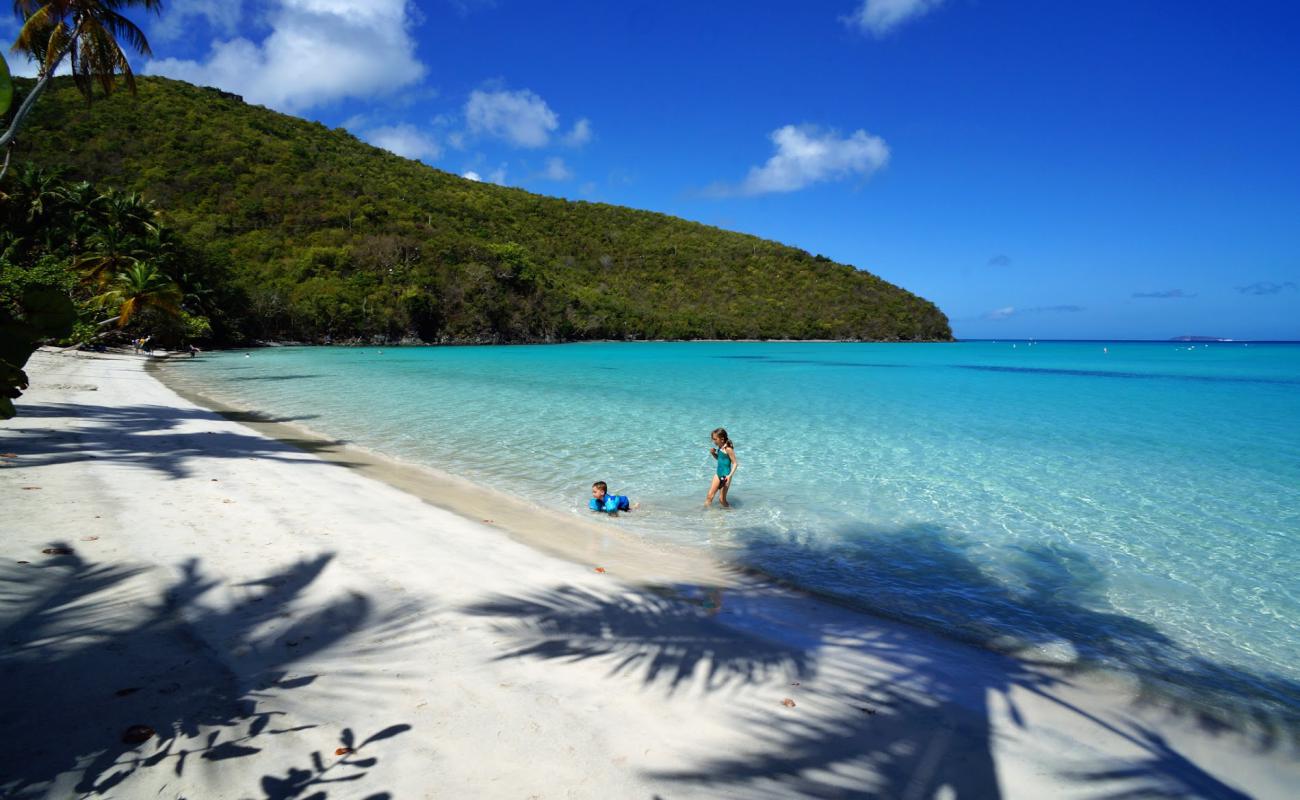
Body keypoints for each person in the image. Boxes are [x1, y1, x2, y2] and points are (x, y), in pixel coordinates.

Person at [705, 427, 738, 508]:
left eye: (715, 439)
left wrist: (729, 476)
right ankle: (704, 516)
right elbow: (719, 459)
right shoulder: (720, 448)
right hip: (718, 474)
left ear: (722, 439)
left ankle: (731, 512)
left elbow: (735, 463)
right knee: (709, 496)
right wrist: (713, 453)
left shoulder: (728, 449)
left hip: (725, 476)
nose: (713, 441)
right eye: (712, 439)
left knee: (721, 500)